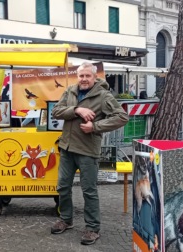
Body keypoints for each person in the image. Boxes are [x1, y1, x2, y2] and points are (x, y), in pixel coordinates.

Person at [50, 62, 129, 245]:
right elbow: (56, 111)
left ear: (94, 77)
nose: (84, 79)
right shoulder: (70, 91)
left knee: (89, 191)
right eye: (81, 76)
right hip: (67, 148)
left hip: (87, 151)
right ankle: (66, 219)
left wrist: (95, 126)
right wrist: (77, 109)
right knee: (62, 186)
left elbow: (121, 117)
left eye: (87, 76)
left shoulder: (103, 96)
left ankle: (92, 228)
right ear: (77, 76)